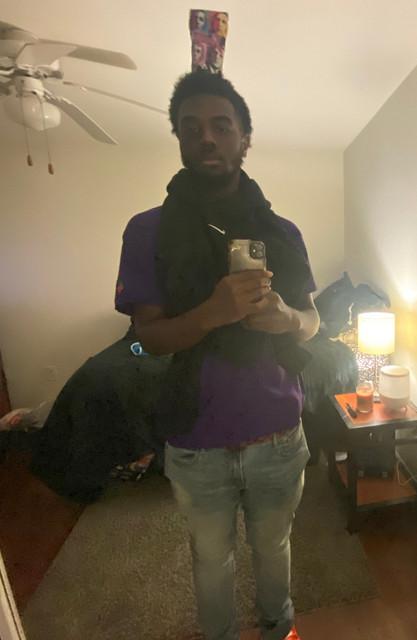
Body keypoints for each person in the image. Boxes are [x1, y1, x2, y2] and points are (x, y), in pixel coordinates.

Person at [114, 69, 319, 640]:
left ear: (244, 138)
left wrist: (286, 319)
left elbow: (312, 324)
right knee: (211, 560)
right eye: (191, 127)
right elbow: (144, 340)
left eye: (221, 126)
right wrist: (213, 312)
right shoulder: (147, 232)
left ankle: (279, 630)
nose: (206, 137)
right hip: (195, 442)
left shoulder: (282, 232)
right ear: (179, 138)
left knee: (275, 547)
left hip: (278, 434)